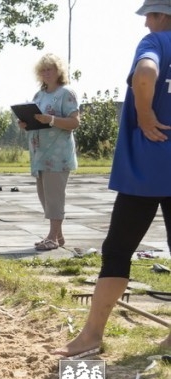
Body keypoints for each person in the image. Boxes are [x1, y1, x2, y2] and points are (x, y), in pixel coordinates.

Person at [53, 0, 171, 359]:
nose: (146, 23)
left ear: (163, 16)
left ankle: (91, 335)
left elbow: (145, 74)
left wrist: (146, 114)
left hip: (148, 171)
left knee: (118, 251)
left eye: (150, 16)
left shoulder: (158, 42)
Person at [18, 53, 80, 251]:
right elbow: (38, 120)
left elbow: (74, 122)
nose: (46, 73)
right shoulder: (39, 95)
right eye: (43, 70)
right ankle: (58, 236)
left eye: (50, 69)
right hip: (40, 154)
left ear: (58, 71)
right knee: (44, 196)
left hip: (58, 155)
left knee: (55, 196)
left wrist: (51, 120)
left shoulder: (66, 93)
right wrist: (25, 123)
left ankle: (52, 236)